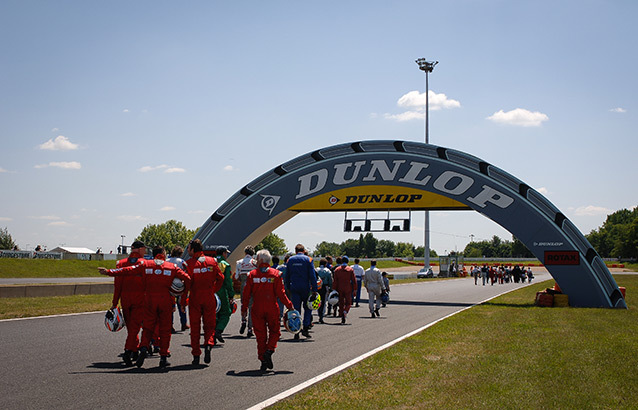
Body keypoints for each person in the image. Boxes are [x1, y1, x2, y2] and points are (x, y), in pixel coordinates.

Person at [99, 245, 190, 369]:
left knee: (147, 328)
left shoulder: (146, 265)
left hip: (149, 300)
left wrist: (109, 272)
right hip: (165, 301)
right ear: (164, 254)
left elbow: (127, 271)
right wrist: (183, 295)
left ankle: (143, 348)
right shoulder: (172, 267)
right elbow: (188, 279)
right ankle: (163, 357)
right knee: (165, 330)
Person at [242, 249, 294, 372]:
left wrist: (244, 309)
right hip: (272, 307)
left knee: (260, 336)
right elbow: (281, 294)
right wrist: (290, 306)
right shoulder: (276, 274)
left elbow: (246, 294)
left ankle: (263, 360)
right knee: (275, 332)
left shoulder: (252, 275)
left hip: (257, 308)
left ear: (259, 260)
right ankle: (269, 351)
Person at [183, 239, 225, 365]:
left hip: (195, 298)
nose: (188, 251)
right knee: (210, 326)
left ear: (193, 249)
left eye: (189, 248)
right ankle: (208, 344)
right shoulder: (212, 261)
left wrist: (182, 301)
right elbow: (221, 278)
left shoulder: (188, 264)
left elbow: (186, 284)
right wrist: (213, 290)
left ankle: (196, 355)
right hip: (209, 297)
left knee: (195, 328)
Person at [110, 240, 147, 366]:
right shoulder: (144, 264)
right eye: (144, 249)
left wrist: (115, 303)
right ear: (140, 249)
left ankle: (134, 349)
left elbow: (117, 287)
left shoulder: (120, 264)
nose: (145, 251)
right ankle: (127, 351)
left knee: (131, 328)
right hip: (139, 301)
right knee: (135, 328)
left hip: (125, 300)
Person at [284, 244, 318, 339]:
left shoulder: (290, 260)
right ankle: (306, 327)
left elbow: (287, 275)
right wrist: (314, 289)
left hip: (294, 287)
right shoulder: (308, 259)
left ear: (295, 251)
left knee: (296, 309)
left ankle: (296, 330)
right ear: (303, 250)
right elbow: (312, 276)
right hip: (305, 287)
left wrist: (287, 287)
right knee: (308, 307)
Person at [215, 246, 234, 344]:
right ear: (223, 253)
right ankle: (218, 330)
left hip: (209, 291)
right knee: (226, 312)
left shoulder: (210, 262)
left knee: (213, 314)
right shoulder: (225, 264)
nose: (226, 255)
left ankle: (211, 335)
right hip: (221, 291)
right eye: (226, 253)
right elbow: (228, 281)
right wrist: (231, 294)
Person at [236, 246, 256, 337]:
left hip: (243, 286)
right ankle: (250, 328)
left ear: (245, 253)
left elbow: (236, 277)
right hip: (253, 287)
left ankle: (243, 320)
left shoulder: (239, 262)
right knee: (252, 308)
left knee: (244, 305)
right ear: (253, 254)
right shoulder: (255, 263)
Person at [167, 245, 189, 333]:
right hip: (180, 285)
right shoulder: (182, 261)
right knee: (182, 304)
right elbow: (187, 271)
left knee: (170, 307)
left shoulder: (167, 260)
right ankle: (184, 323)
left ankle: (170, 325)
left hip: (169, 286)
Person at [332, 256, 356, 324]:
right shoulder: (350, 270)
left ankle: (341, 312)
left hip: (339, 288)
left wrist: (334, 289)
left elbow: (335, 280)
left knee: (341, 302)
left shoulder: (337, 270)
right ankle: (345, 312)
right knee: (348, 302)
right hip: (348, 287)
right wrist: (355, 289)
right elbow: (354, 280)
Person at [315, 258, 333, 324]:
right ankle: (321, 316)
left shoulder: (316, 270)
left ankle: (317, 313)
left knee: (316, 300)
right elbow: (330, 280)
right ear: (325, 264)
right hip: (324, 287)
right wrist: (331, 288)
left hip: (317, 287)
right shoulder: (328, 271)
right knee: (323, 301)